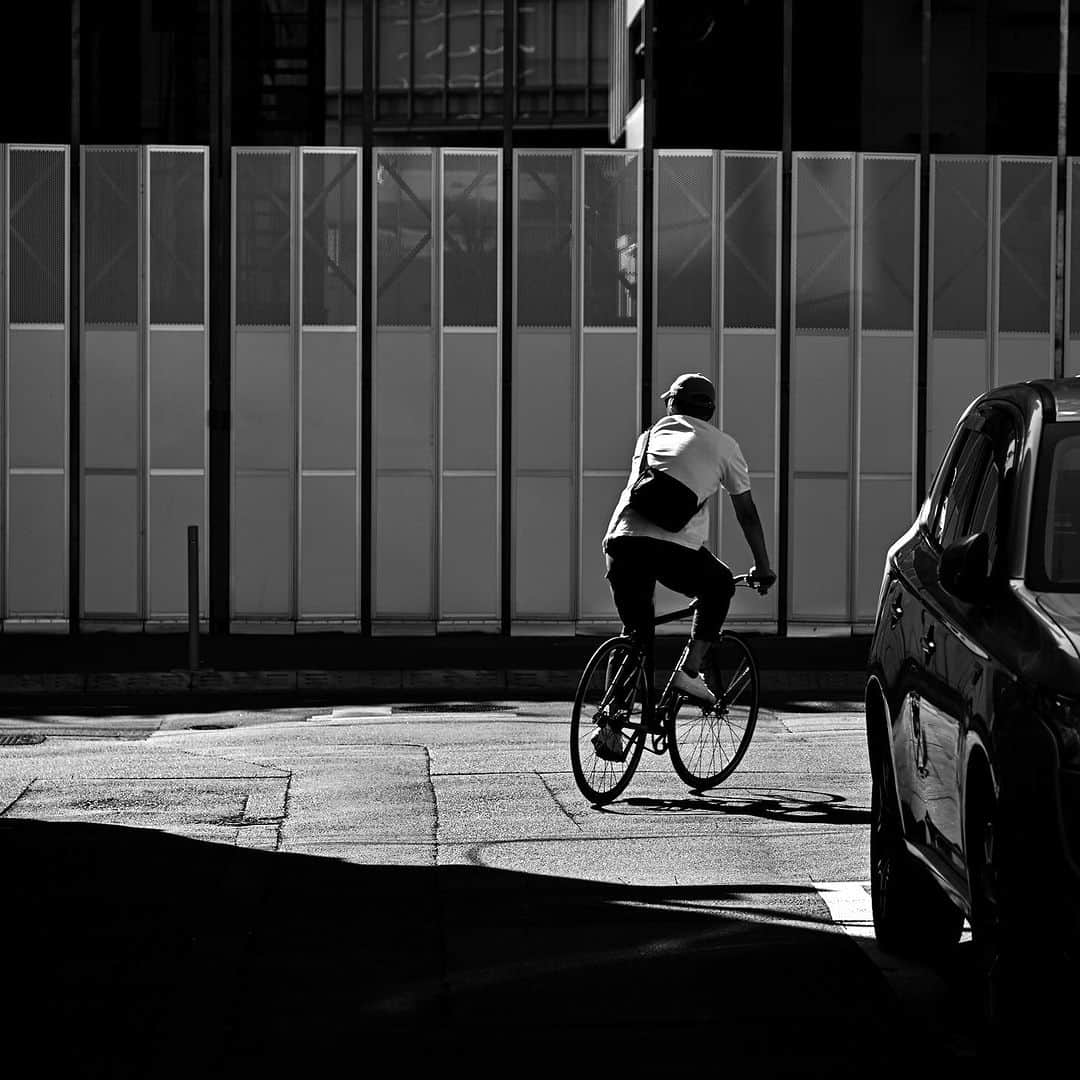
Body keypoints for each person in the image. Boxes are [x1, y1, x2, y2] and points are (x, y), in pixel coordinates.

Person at [602, 372, 776, 708]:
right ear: (710, 410)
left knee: (635, 634)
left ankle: (612, 718)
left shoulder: (648, 436)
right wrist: (763, 566)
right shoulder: (725, 446)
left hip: (621, 541)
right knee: (720, 584)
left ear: (672, 405)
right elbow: (747, 513)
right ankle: (690, 673)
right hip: (670, 548)